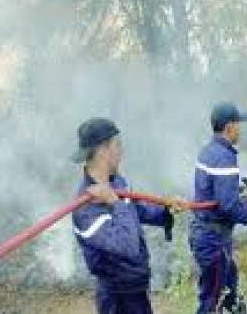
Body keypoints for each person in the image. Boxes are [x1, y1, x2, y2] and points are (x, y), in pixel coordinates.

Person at [71, 117, 174, 314]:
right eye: (118, 145)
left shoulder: (117, 182)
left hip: (136, 288)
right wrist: (115, 202)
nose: (121, 151)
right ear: (102, 150)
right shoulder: (85, 210)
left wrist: (167, 210)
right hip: (117, 299)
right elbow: (127, 247)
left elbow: (136, 210)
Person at [189, 103, 247, 313]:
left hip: (208, 234)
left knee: (229, 285)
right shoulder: (225, 157)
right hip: (213, 240)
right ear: (229, 127)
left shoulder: (209, 151)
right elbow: (228, 205)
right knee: (212, 300)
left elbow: (217, 191)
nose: (240, 129)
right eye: (238, 124)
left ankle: (235, 307)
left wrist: (241, 190)